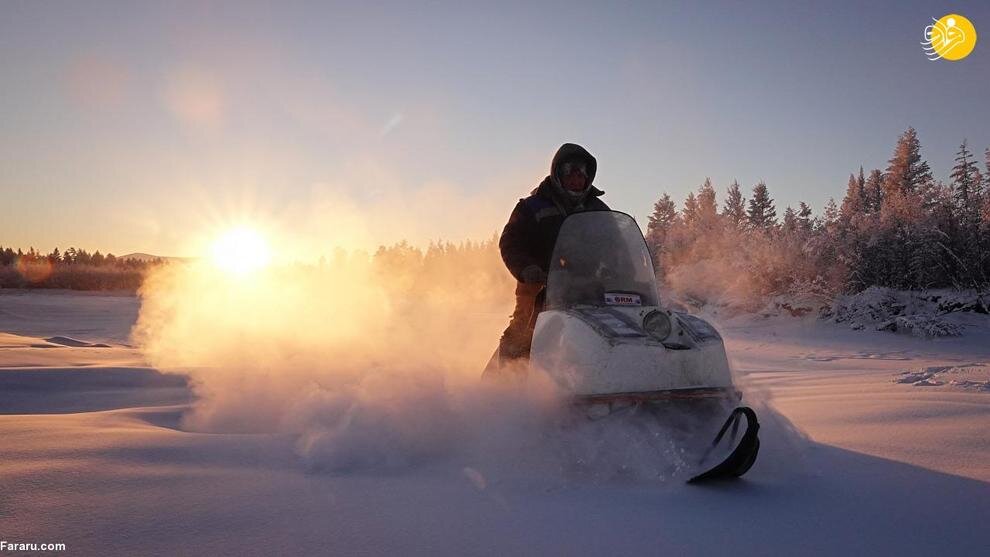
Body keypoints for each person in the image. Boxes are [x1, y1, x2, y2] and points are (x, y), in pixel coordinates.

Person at [496, 143, 610, 364]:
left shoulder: (599, 210)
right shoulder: (532, 206)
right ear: (558, 173)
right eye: (570, 172)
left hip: (589, 286)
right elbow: (511, 242)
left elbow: (617, 246)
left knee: (619, 326)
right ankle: (507, 385)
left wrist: (627, 272)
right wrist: (526, 268)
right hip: (540, 284)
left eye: (582, 174)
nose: (576, 179)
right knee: (523, 331)